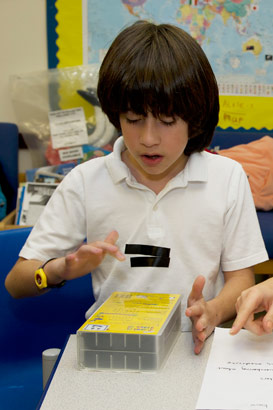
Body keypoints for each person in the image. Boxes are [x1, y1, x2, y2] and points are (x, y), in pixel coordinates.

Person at [5, 21, 268, 355]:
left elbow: (242, 281)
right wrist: (57, 270)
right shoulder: (85, 181)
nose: (148, 139)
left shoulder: (226, 177)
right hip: (113, 349)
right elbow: (16, 282)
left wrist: (212, 311)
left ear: (195, 117)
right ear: (116, 115)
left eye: (167, 121)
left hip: (197, 347)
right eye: (132, 119)